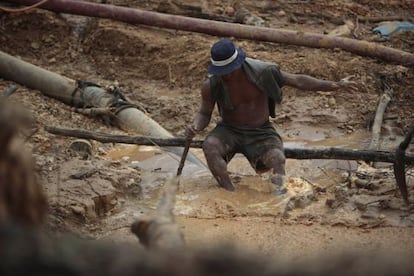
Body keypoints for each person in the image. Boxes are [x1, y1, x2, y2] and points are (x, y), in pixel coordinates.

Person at [186, 38, 356, 194]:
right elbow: (204, 113)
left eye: (229, 70)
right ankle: (229, 192)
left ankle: (278, 197)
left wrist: (335, 85)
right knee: (210, 146)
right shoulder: (211, 85)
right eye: (221, 71)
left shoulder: (264, 72)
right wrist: (195, 126)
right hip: (229, 130)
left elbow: (298, 81)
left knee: (277, 158)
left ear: (239, 63)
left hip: (260, 130)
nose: (226, 75)